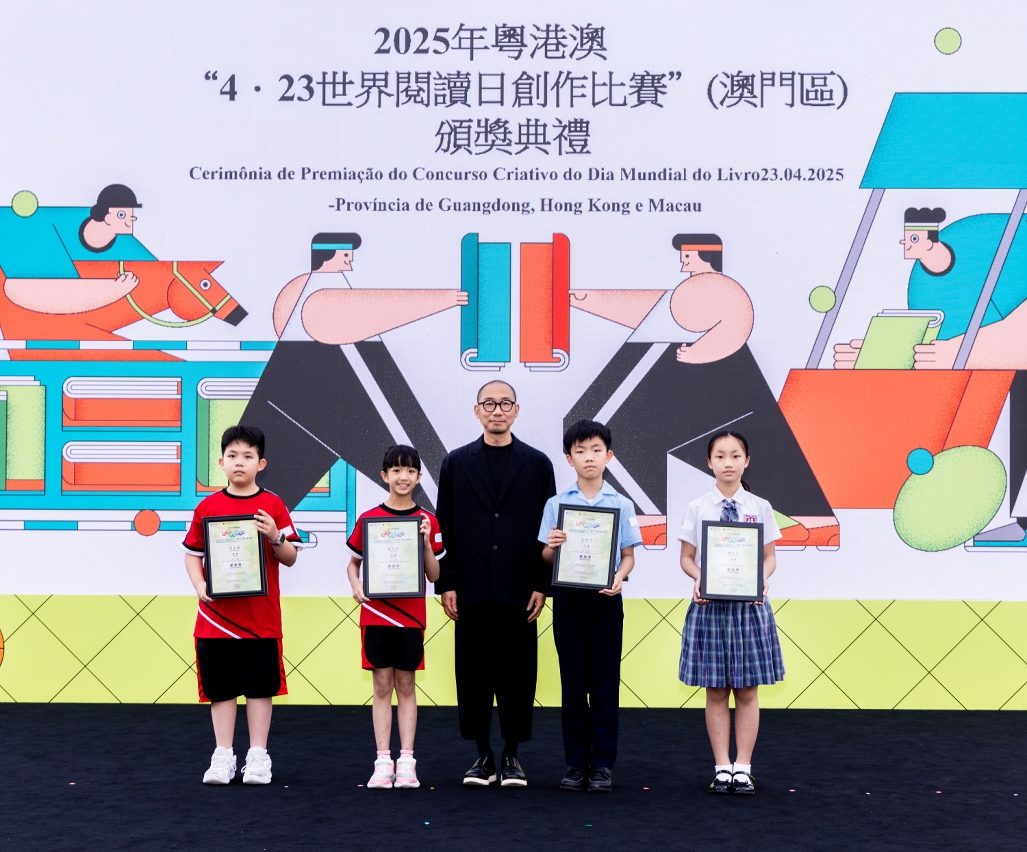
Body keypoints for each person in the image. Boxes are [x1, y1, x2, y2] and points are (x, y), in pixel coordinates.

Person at [565, 234, 836, 548]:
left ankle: (813, 520)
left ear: (706, 255)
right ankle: (814, 519)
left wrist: (700, 352)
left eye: (688, 254)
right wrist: (586, 299)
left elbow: (730, 322)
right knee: (627, 429)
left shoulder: (717, 291)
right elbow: (653, 306)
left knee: (626, 428)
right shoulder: (689, 293)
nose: (683, 260)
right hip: (698, 377)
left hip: (712, 376)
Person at [241, 231, 467, 512]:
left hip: (306, 392)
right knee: (272, 487)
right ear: (328, 256)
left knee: (273, 489)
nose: (350, 260)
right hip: (317, 390)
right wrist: (447, 298)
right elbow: (373, 308)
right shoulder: (321, 295)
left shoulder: (312, 288)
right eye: (345, 254)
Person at [435, 380, 556, 787]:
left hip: (520, 590)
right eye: (489, 403)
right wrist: (447, 583)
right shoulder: (455, 463)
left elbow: (549, 531)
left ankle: (512, 756)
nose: (497, 410)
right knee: (473, 676)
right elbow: (444, 527)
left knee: (518, 676)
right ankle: (483, 755)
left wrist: (542, 584)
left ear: (516, 410)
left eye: (505, 403)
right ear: (477, 411)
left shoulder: (537, 464)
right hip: (470, 588)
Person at [182, 424, 301, 785]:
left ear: (260, 463)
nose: (239, 462)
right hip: (216, 619)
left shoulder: (273, 505)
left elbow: (290, 557)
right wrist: (200, 584)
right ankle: (223, 756)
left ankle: (258, 756)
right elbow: (192, 555)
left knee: (260, 688)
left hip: (260, 619)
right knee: (220, 689)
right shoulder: (207, 507)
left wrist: (275, 536)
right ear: (221, 462)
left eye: (248, 456)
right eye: (232, 455)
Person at [677, 430, 783, 795]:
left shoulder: (760, 507)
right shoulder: (697, 507)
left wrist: (762, 579)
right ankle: (722, 767)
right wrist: (699, 578)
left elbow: (769, 557)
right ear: (709, 463)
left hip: (749, 609)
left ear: (746, 461)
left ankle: (744, 768)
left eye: (735, 455)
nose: (728, 462)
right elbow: (686, 558)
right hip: (710, 608)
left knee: (748, 691)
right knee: (716, 691)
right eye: (720, 456)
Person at [540, 419, 641, 793]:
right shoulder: (556, 504)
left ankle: (601, 765)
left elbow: (628, 557)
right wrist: (552, 546)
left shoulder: (622, 504)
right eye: (580, 451)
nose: (589, 457)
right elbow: (546, 557)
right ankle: (574, 764)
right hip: (568, 600)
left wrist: (620, 577)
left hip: (606, 600)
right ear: (569, 459)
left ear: (608, 456)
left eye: (596, 450)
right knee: (572, 684)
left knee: (604, 684)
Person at [346, 445, 444, 790]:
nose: (404, 477)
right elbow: (353, 564)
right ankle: (382, 760)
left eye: (411, 471)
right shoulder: (369, 519)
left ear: (418, 477)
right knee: (381, 686)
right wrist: (356, 585)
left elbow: (434, 575)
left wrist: (426, 544)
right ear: (384, 475)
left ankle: (407, 761)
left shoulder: (428, 520)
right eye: (397, 470)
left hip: (410, 618)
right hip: (375, 615)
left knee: (406, 686)